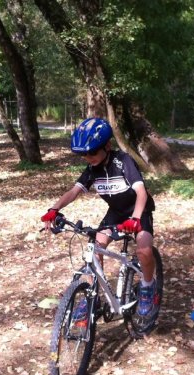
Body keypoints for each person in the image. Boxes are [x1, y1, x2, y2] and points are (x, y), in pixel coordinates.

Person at [41, 117, 159, 321]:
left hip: (139, 210)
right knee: (94, 248)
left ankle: (148, 287)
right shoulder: (92, 170)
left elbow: (142, 193)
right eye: (84, 154)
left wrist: (136, 218)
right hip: (115, 213)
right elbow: (74, 191)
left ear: (107, 145)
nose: (89, 157)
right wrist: (54, 208)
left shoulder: (123, 161)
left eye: (93, 152)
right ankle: (91, 298)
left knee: (143, 249)